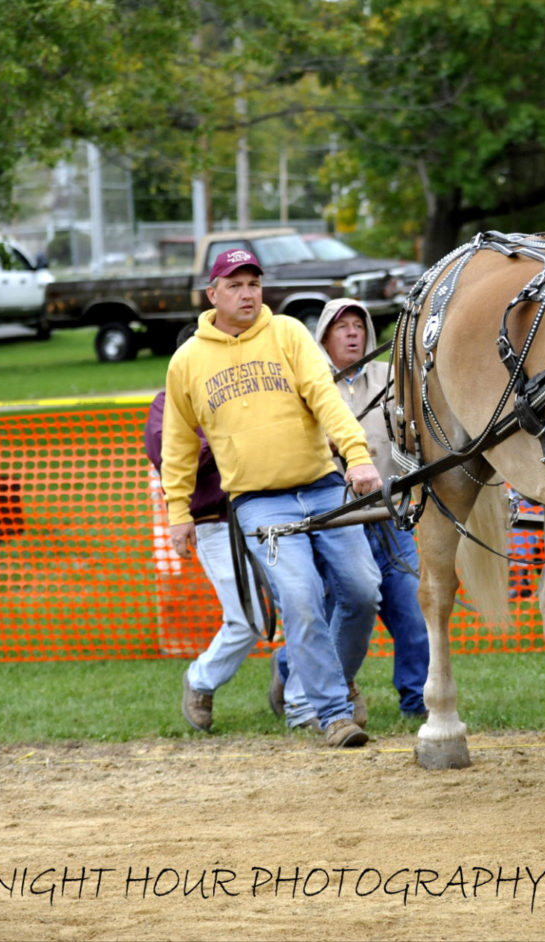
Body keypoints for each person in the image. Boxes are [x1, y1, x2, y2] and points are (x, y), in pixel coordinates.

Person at [160, 248, 385, 748]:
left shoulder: (287, 334)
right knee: (301, 599)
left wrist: (358, 456)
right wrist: (179, 513)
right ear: (212, 293)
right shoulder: (188, 361)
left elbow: (326, 397)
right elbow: (176, 445)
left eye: (253, 283)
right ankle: (331, 713)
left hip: (323, 485)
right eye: (235, 284)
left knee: (363, 590)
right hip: (260, 503)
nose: (247, 293)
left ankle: (332, 684)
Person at [269, 297, 430, 723]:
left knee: (412, 608)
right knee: (329, 609)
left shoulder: (391, 376)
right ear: (324, 336)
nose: (353, 332)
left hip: (391, 511)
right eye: (342, 327)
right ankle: (288, 668)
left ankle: (417, 701)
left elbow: (412, 430)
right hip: (337, 517)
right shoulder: (309, 378)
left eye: (359, 325)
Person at [146, 326, 268, 733]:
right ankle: (201, 681)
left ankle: (302, 695)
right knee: (249, 620)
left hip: (267, 513)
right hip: (214, 524)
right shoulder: (167, 404)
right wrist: (225, 438)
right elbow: (171, 458)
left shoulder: (242, 393)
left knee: (302, 605)